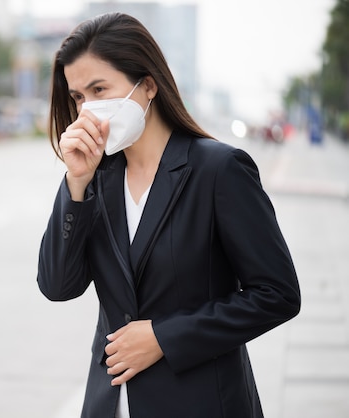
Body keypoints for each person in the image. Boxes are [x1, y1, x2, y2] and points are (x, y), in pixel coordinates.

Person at [37, 12, 300, 418]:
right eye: (77, 97)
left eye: (99, 89)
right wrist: (75, 184)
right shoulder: (95, 180)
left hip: (201, 402)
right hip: (110, 404)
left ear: (148, 86)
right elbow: (58, 285)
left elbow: (278, 295)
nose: (88, 109)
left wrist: (164, 337)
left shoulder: (219, 170)